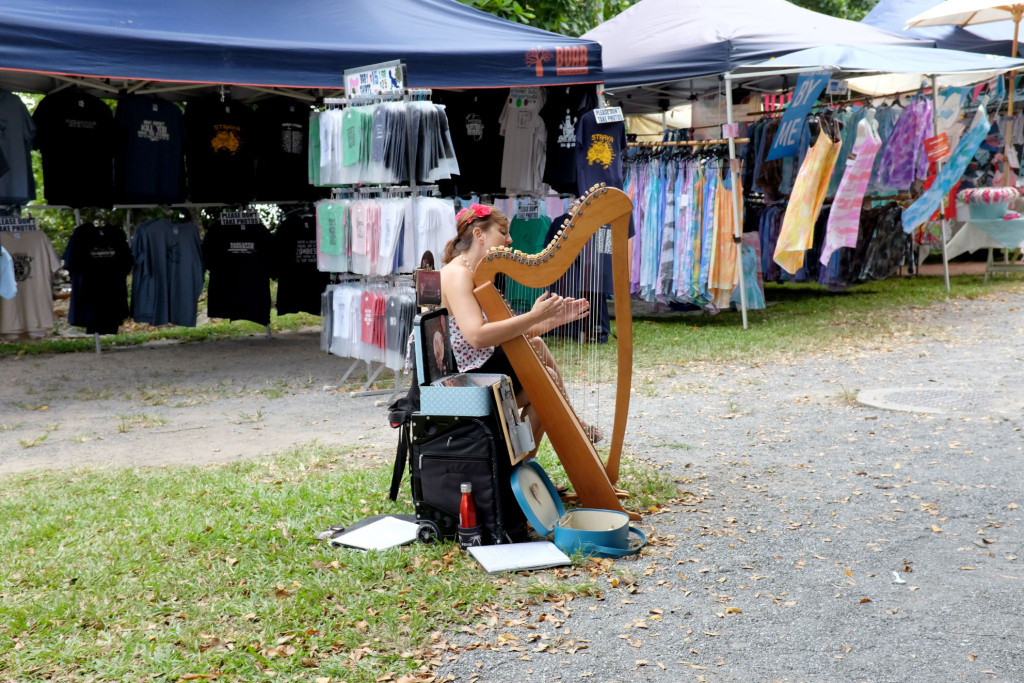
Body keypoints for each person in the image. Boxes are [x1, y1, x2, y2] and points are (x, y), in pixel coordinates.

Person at [439, 202, 599, 454]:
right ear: (479, 235)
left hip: (479, 363)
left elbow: (504, 335)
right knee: (546, 382)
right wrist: (534, 316)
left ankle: (524, 468)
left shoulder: (476, 273)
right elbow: (478, 337)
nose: (510, 239)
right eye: (503, 232)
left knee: (539, 360)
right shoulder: (458, 274)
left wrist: (553, 320)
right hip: (462, 376)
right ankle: (521, 469)